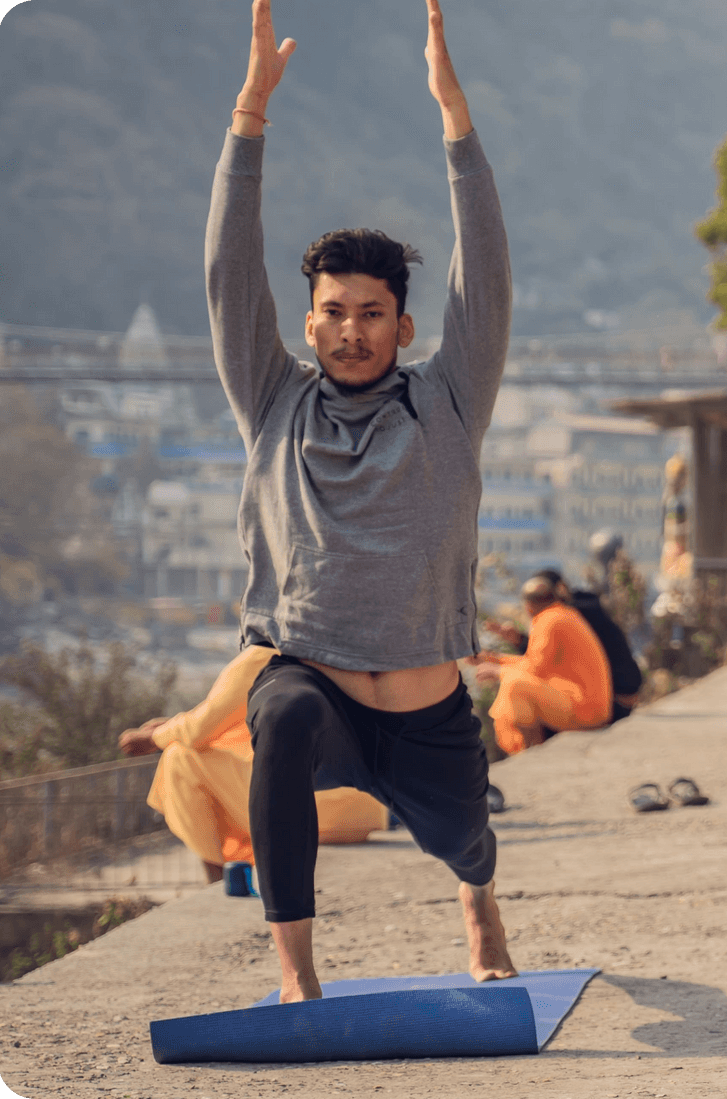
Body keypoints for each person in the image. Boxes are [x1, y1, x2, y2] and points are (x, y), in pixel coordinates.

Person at [209, 0, 516, 1001]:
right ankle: (297, 971)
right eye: (332, 313)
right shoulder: (273, 399)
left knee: (467, 840)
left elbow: (488, 272)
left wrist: (454, 117)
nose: (350, 329)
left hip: (427, 711)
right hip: (319, 684)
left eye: (370, 314)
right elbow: (227, 275)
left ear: (403, 322)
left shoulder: (448, 402)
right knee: (281, 715)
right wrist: (249, 116)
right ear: (308, 321)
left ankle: (478, 900)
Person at [117, 647, 387, 884]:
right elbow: (234, 730)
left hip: (315, 812)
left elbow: (200, 729)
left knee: (180, 757)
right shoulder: (331, 648)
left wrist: (152, 737)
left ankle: (220, 879)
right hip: (365, 810)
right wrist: (171, 725)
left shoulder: (264, 654)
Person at [471, 576, 616, 753]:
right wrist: (493, 660)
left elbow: (533, 670)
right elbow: (535, 663)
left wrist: (499, 670)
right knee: (515, 681)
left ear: (528, 606)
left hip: (587, 709)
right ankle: (525, 749)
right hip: (590, 705)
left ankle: (526, 751)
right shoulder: (562, 614)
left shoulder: (549, 620)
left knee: (516, 686)